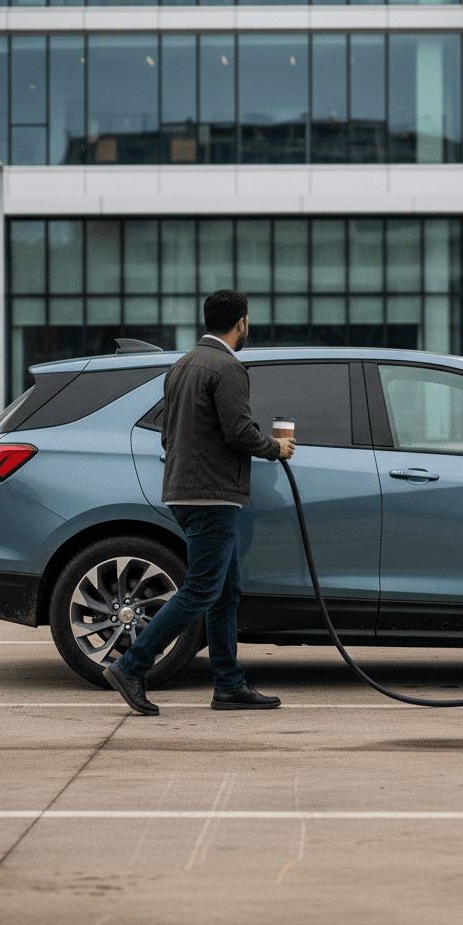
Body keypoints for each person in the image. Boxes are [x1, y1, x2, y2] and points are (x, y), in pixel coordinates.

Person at [104, 289, 295, 716]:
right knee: (203, 587)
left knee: (227, 590)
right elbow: (239, 431)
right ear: (240, 322)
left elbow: (168, 435)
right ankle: (131, 665)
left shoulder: (181, 366)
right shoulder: (227, 367)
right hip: (212, 494)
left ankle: (228, 684)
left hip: (184, 489)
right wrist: (274, 448)